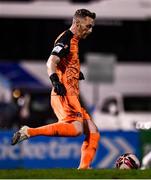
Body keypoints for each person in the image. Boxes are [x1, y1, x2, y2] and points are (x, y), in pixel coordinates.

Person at [11, 8, 100, 169]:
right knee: (77, 130)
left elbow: (65, 62)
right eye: (88, 26)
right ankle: (29, 131)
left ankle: (84, 169)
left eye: (92, 26)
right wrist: (55, 81)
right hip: (64, 94)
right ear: (77, 23)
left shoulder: (74, 40)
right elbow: (51, 62)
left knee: (93, 131)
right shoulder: (66, 39)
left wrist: (74, 72)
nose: (90, 30)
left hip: (72, 94)